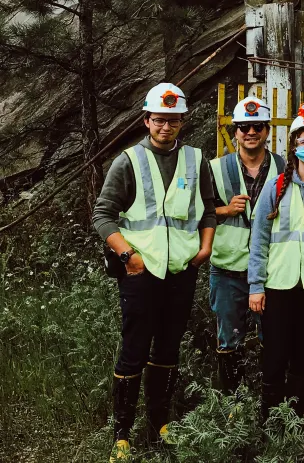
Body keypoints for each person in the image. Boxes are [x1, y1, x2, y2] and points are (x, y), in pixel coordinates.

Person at [92, 83, 217, 462]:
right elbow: (102, 215)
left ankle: (160, 421)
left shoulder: (196, 160)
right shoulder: (127, 161)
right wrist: (128, 255)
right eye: (159, 119)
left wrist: (205, 248)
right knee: (134, 349)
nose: (167, 126)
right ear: (147, 120)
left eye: (174, 120)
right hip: (140, 273)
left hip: (181, 271)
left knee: (167, 347)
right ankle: (123, 431)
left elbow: (208, 210)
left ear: (183, 121)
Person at [248, 103, 304, 419]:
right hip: (278, 283)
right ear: (293, 146)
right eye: (303, 142)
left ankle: (296, 410)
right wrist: (256, 285)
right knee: (275, 349)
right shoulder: (277, 187)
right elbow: (258, 239)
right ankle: (270, 410)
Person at [208, 96, 284, 393]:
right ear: (235, 131)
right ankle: (233, 401)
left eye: (257, 126)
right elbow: (194, 215)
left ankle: (270, 399)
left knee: (272, 336)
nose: (250, 132)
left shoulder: (284, 167)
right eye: (244, 127)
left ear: (267, 130)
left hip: (270, 269)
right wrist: (226, 210)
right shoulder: (214, 168)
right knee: (229, 338)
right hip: (228, 268)